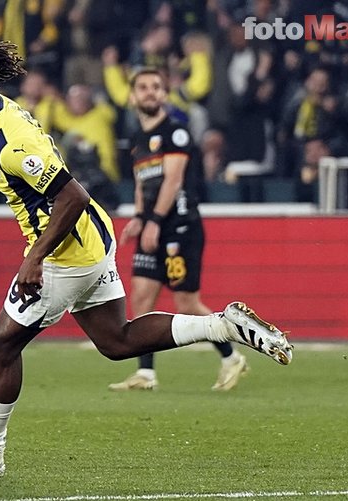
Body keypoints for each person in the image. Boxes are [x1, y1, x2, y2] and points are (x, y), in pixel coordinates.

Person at [0, 36, 293, 480]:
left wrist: (34, 258)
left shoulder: (14, 138)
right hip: (92, 241)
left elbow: (72, 196)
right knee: (117, 341)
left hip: (66, 252)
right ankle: (223, 326)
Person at [107, 67, 247, 393]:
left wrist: (154, 221)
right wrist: (139, 218)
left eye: (156, 86)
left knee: (187, 304)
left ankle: (231, 357)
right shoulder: (138, 141)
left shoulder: (176, 133)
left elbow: (173, 180)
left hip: (179, 227)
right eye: (143, 87)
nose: (150, 92)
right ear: (132, 97)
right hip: (152, 226)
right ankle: (146, 373)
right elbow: (143, 183)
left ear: (165, 94)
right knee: (142, 298)